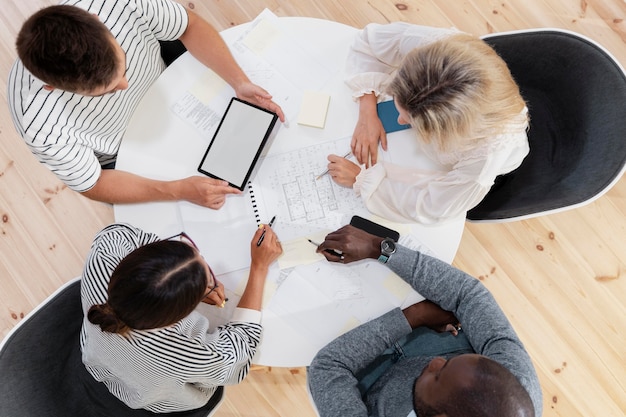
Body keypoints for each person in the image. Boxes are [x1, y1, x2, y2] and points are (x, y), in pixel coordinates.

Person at [8, 0, 285, 209]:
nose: (125, 86)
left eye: (123, 70)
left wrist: (239, 82)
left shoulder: (118, 4)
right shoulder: (38, 125)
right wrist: (177, 190)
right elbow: (93, 182)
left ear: (98, 20)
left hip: (168, 78)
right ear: (52, 86)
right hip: (124, 152)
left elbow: (189, 25)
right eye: (105, 92)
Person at [307, 225, 542, 417]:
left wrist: (414, 316)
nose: (436, 362)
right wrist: (380, 248)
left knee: (308, 335)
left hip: (364, 384)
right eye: (450, 362)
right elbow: (468, 294)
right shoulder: (514, 391)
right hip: (440, 335)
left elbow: (328, 366)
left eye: (439, 374)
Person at [325, 23, 529, 224]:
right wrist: (367, 111)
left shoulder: (486, 155)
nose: (400, 121)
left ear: (447, 131)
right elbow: (369, 42)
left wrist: (360, 180)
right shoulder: (432, 48)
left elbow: (432, 208)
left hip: (455, 166)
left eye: (409, 119)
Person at [80, 222, 282, 414]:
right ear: (180, 315)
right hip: (154, 398)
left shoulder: (105, 251)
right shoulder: (183, 347)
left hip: (97, 356)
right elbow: (238, 356)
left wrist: (188, 281)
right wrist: (259, 267)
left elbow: (124, 234)